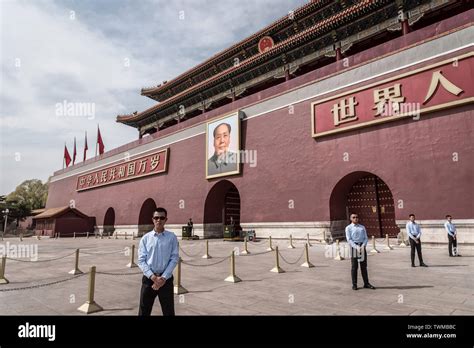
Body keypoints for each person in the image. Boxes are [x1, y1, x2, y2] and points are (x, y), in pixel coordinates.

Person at [138, 207, 179, 316]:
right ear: (152, 219)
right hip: (148, 280)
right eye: (156, 217)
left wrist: (163, 278)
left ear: (166, 219)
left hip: (166, 281)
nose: (159, 220)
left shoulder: (171, 237)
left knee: (168, 311)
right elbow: (141, 260)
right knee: (144, 311)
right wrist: (153, 278)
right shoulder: (145, 238)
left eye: (162, 218)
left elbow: (174, 258)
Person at [345, 214, 375, 290]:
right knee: (354, 266)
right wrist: (356, 247)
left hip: (362, 247)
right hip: (354, 247)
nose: (355, 218)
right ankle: (354, 284)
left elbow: (365, 237)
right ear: (351, 219)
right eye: (353, 217)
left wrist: (363, 245)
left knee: (363, 266)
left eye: (357, 217)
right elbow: (349, 239)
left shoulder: (362, 227)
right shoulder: (348, 228)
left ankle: (366, 283)